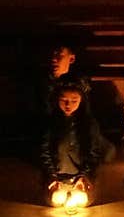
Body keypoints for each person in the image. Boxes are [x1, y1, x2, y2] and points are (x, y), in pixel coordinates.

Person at [41, 79, 109, 209]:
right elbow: (44, 151)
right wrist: (52, 176)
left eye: (74, 101)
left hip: (81, 176)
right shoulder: (51, 123)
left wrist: (84, 175)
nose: (68, 105)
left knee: (82, 200)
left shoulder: (89, 124)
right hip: (57, 176)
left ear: (81, 101)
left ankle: (76, 190)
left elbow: (94, 153)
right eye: (63, 100)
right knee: (56, 200)